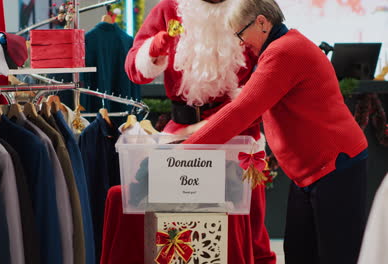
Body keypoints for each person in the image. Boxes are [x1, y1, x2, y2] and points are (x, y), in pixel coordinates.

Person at [182, 0, 369, 264]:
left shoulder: (284, 52)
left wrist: (180, 153)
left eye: (240, 33)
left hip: (334, 165)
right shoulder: (280, 48)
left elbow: (241, 111)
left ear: (261, 22)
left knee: (336, 254)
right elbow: (253, 109)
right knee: (300, 252)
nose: (240, 42)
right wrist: (191, 135)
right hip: (310, 172)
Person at [125, 0, 276, 263]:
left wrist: (247, 99)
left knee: (250, 223)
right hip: (183, 130)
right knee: (179, 218)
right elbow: (134, 71)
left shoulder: (250, 6)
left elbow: (271, 62)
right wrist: (154, 50)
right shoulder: (168, 9)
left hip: (238, 131)